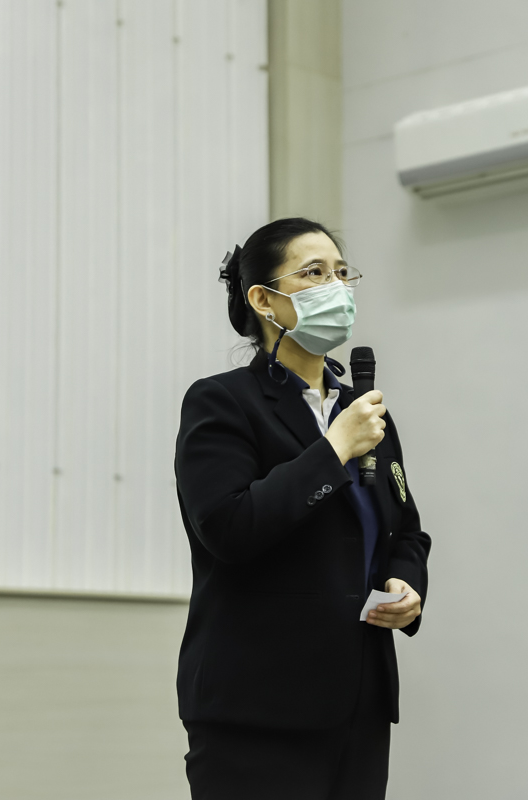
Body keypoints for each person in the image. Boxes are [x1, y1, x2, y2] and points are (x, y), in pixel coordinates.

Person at [174, 218, 432, 800]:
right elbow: (229, 529)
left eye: (342, 273)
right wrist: (333, 448)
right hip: (257, 706)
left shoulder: (363, 413)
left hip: (359, 702)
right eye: (314, 273)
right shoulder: (222, 402)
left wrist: (407, 583)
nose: (335, 287)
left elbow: (406, 531)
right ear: (263, 300)